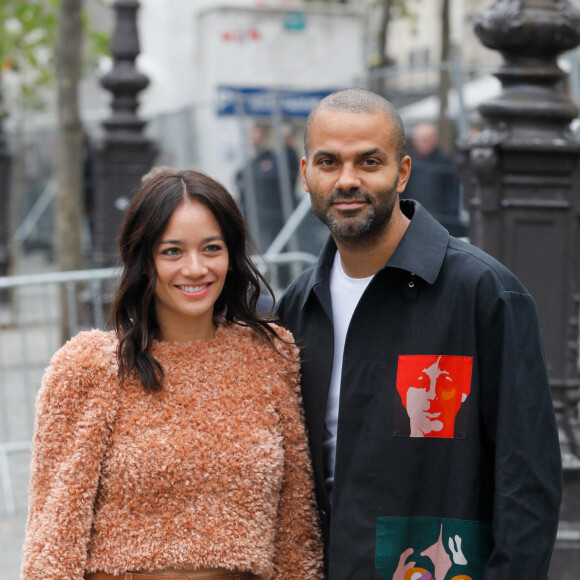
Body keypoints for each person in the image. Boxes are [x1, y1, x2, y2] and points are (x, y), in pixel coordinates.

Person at [274, 88, 562, 579]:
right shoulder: (298, 307)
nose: (347, 180)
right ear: (306, 174)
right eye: (328, 162)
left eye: (369, 161)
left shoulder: (484, 293)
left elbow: (528, 484)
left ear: (403, 172)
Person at [21, 169, 323, 580]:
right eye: (172, 251)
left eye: (211, 248)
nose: (195, 268)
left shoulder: (271, 356)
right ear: (145, 260)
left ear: (232, 256)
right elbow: (52, 541)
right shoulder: (87, 367)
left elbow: (296, 530)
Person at [403, 122, 466, 237]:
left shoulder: (445, 163)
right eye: (420, 139)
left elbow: (452, 196)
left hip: (440, 222)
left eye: (426, 139)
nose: (423, 143)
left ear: (435, 139)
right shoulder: (410, 163)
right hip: (413, 220)